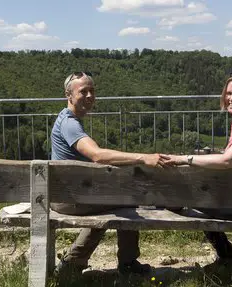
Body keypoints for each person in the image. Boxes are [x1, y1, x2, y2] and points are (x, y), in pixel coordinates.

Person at [51, 71, 164, 277]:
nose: (89, 96)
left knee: (111, 205)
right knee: (126, 202)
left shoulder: (65, 119)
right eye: (83, 91)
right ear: (69, 95)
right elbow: (97, 155)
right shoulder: (70, 124)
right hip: (69, 198)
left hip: (67, 193)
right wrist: (142, 158)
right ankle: (127, 263)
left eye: (92, 91)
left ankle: (72, 264)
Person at [160, 72, 232, 270]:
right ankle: (226, 255)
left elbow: (227, 161)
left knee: (183, 200)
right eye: (228, 93)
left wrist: (186, 159)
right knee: (188, 198)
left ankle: (227, 257)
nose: (230, 99)